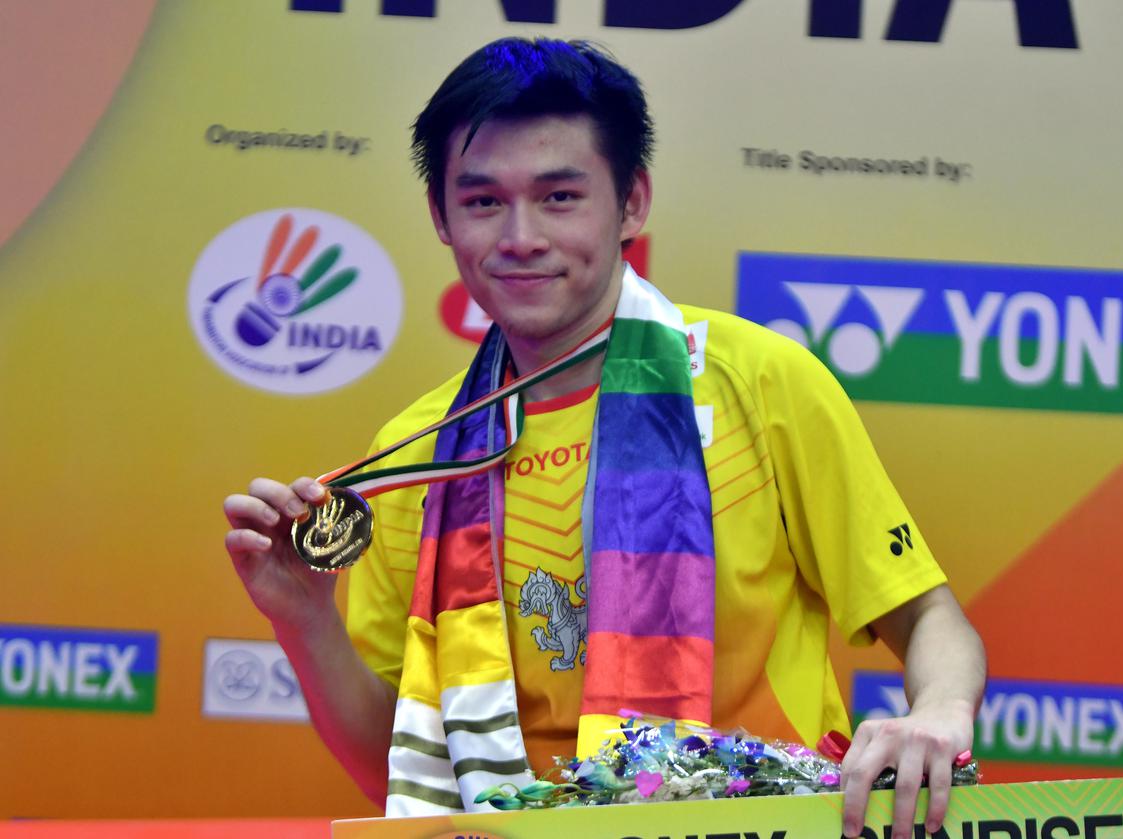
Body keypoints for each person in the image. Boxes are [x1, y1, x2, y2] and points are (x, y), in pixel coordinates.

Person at [223, 37, 985, 839]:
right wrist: (304, 620)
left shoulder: (758, 382)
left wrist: (938, 710)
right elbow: (397, 764)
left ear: (632, 203)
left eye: (559, 197)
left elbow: (930, 616)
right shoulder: (418, 451)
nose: (520, 236)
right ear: (440, 217)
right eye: (483, 201)